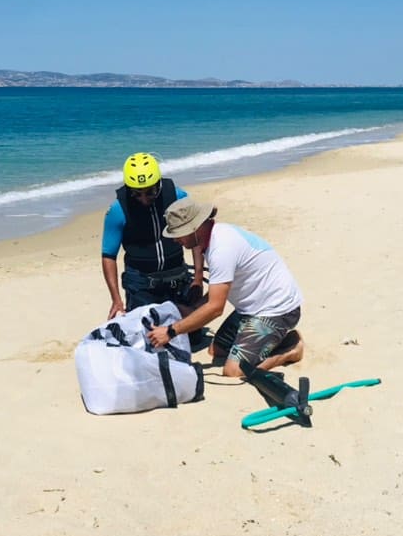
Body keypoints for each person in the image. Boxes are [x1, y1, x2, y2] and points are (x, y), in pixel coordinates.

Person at [146, 197, 304, 377]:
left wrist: (171, 331)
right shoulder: (212, 239)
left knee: (233, 371)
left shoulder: (221, 249)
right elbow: (218, 289)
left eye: (178, 234)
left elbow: (215, 308)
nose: (175, 240)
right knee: (216, 350)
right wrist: (192, 310)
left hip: (277, 310)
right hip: (251, 307)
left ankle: (290, 350)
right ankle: (271, 341)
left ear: (194, 228)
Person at [101, 152, 204, 319]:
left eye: (150, 192)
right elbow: (108, 255)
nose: (143, 199)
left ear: (159, 184)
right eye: (136, 193)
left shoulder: (178, 198)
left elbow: (196, 235)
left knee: (192, 337)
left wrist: (198, 277)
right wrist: (116, 300)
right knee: (148, 338)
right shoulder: (118, 210)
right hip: (141, 284)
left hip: (177, 277)